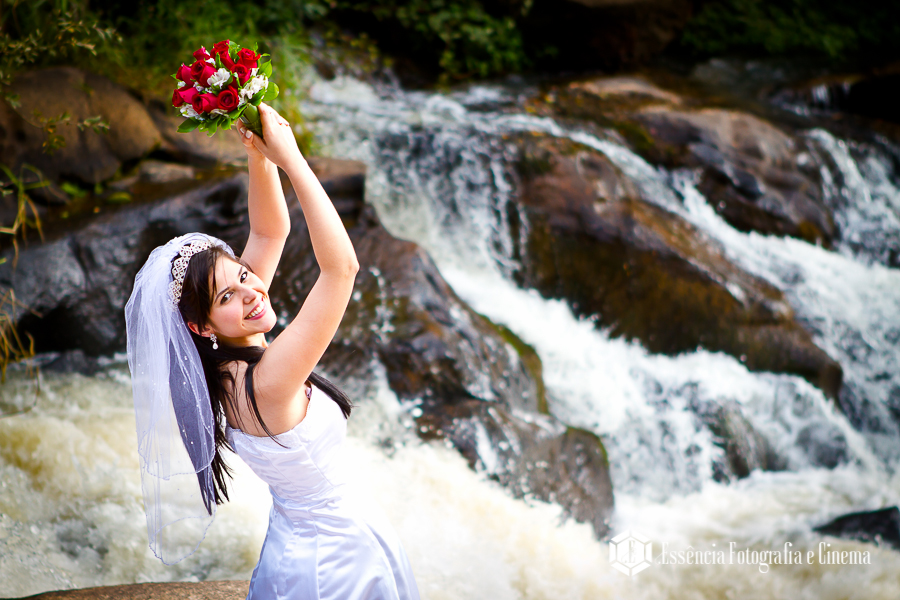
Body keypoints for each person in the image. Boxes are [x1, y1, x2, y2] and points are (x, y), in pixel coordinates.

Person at [125, 103, 420, 600]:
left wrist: (257, 156)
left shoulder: (219, 365)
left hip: (298, 543)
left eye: (244, 275)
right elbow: (342, 269)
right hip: (337, 561)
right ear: (201, 324)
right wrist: (294, 161)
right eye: (227, 297)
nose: (252, 292)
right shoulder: (270, 380)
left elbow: (268, 233)